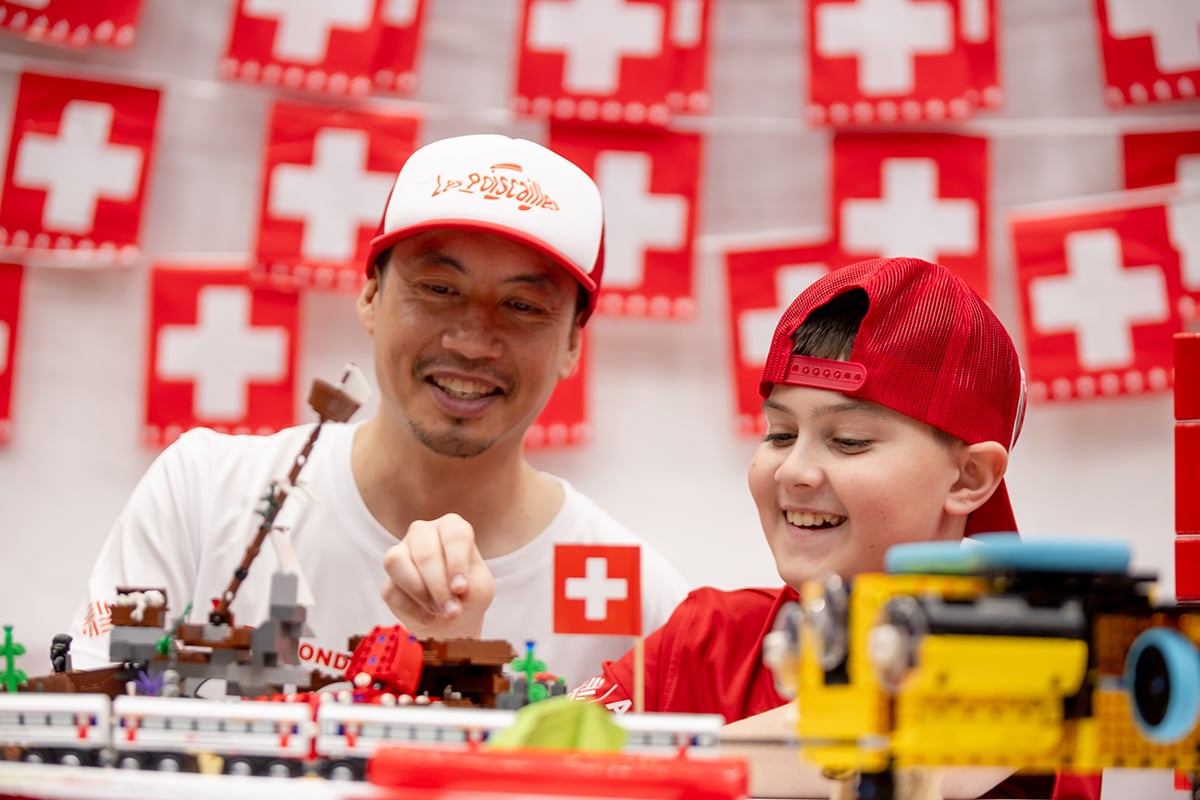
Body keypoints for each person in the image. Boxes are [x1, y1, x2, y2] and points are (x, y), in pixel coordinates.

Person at [66, 133, 690, 688]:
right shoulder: (205, 493)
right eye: (439, 289)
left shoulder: (632, 598)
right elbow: (91, 747)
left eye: (524, 306)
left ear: (573, 344)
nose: (472, 341)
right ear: (370, 295)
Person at [570, 256, 1047, 798]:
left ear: (969, 477)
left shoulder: (1035, 651)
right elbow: (535, 770)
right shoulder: (704, 641)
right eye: (778, 434)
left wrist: (649, 769)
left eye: (849, 440)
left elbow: (891, 740)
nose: (794, 471)